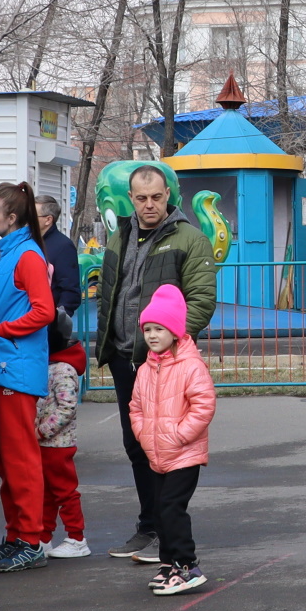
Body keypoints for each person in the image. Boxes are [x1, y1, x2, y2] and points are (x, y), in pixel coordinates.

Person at [94, 165, 218, 563]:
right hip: (123, 357)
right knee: (137, 445)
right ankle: (149, 525)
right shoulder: (119, 235)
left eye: (157, 197)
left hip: (164, 365)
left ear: (169, 196)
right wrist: (108, 344)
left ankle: (166, 534)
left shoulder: (189, 238)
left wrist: (166, 349)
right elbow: (110, 294)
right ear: (131, 199)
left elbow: (201, 301)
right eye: (141, 198)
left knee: (166, 446)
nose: (149, 205)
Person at [0, 182, 58, 574]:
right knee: (9, 462)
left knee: (20, 460)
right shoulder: (15, 253)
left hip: (15, 370)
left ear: (12, 218)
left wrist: (3, 331)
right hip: (5, 366)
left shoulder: (26, 255)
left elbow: (44, 311)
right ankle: (16, 538)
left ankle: (30, 540)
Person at [127, 284, 216, 596]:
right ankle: (169, 564)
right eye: (148, 329)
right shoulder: (146, 368)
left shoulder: (190, 365)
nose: (152, 335)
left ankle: (187, 565)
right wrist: (142, 433)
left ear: (175, 331)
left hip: (183, 454)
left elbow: (203, 406)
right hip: (157, 454)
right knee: (160, 511)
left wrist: (179, 435)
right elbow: (135, 407)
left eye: (159, 329)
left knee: (171, 508)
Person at [33, 195, 89, 559]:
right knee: (49, 489)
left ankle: (76, 537)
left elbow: (70, 292)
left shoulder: (61, 248)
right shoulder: (35, 245)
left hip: (56, 440)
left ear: (49, 219)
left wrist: (57, 314)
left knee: (61, 488)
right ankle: (43, 536)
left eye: (33, 216)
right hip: (51, 438)